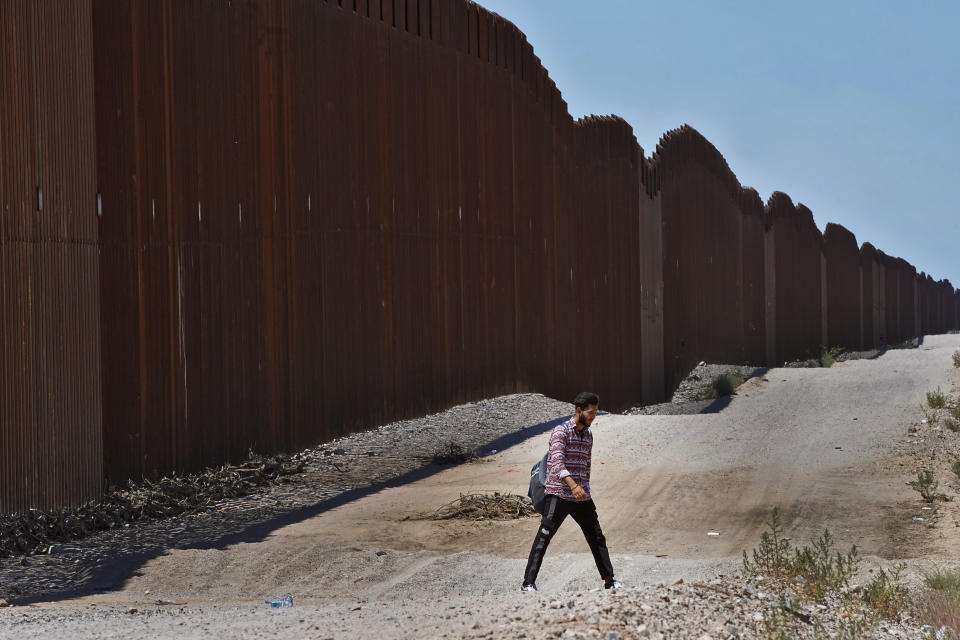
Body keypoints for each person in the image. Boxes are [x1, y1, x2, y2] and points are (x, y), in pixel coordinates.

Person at [520, 391, 621, 592]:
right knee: (544, 537)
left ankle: (610, 581)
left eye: (596, 412)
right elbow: (556, 462)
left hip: (581, 496)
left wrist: (584, 488)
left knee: (596, 536)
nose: (594, 416)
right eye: (591, 412)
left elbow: (586, 465)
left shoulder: (588, 435)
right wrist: (573, 485)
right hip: (559, 494)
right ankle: (527, 583)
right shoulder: (561, 432)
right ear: (579, 410)